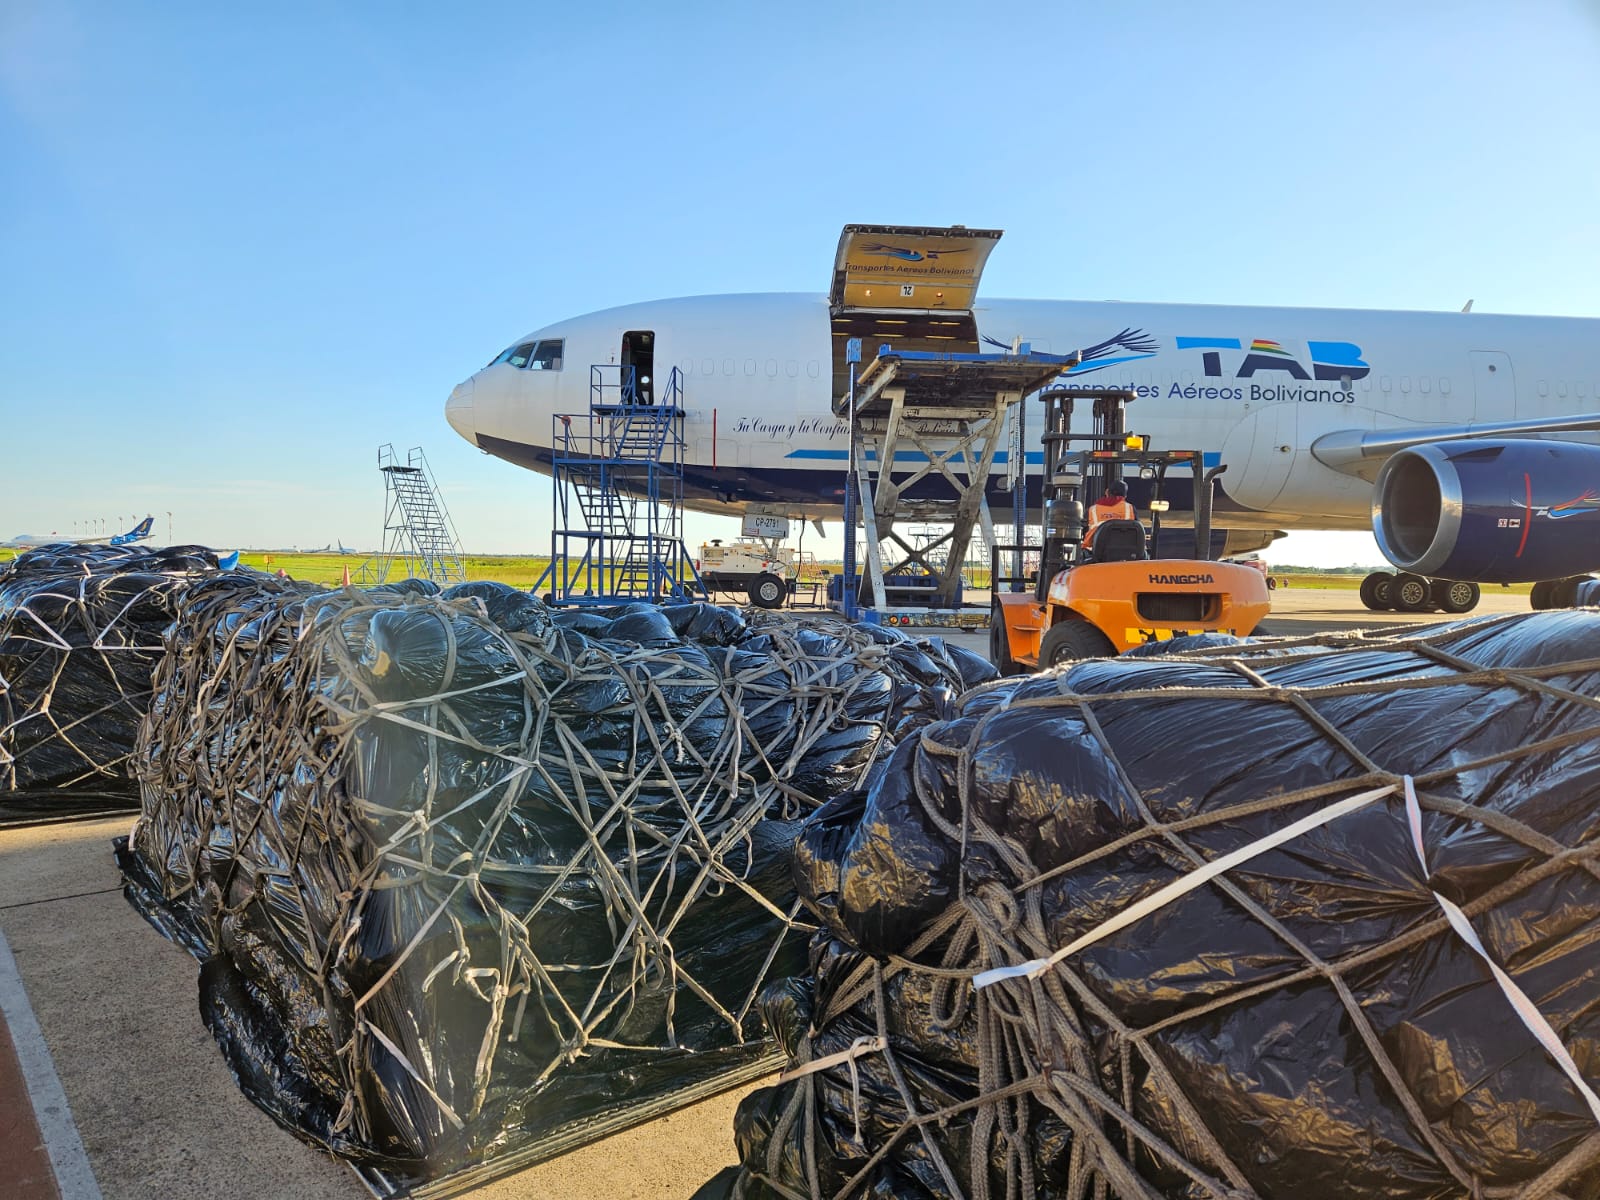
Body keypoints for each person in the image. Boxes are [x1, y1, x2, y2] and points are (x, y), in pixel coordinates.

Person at [1083, 478, 1136, 550]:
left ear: (1107, 492)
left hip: (1095, 551)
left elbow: (1083, 530)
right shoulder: (1130, 508)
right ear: (1125, 496)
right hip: (1126, 551)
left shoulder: (1092, 509)